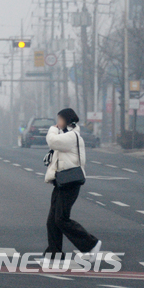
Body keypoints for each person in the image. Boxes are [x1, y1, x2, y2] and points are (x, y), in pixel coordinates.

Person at [43, 108, 101, 261]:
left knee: (61, 219)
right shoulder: (66, 135)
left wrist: (52, 130)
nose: (57, 123)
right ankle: (54, 254)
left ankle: (91, 244)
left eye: (59, 119)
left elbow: (52, 141)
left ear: (67, 120)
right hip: (61, 182)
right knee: (52, 220)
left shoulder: (71, 136)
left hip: (70, 183)